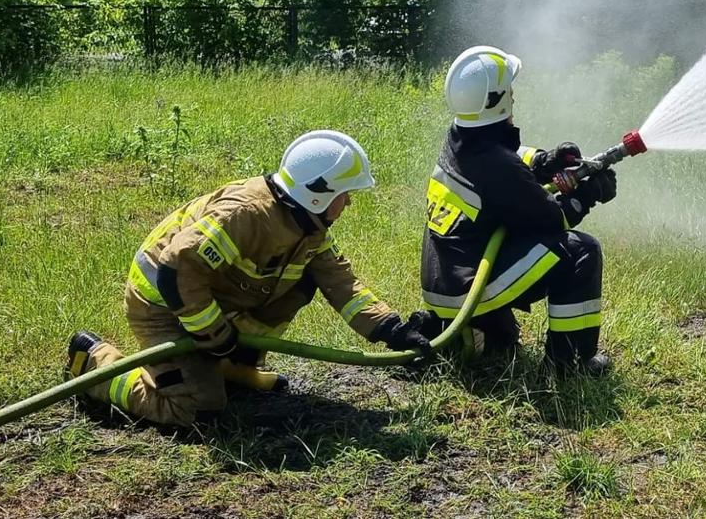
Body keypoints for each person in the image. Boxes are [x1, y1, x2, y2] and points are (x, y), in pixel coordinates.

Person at [67, 130, 433, 427]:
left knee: (302, 281)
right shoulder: (246, 216)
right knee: (198, 408)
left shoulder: (308, 225)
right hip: (164, 306)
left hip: (211, 298)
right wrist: (214, 335)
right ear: (318, 195)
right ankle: (96, 365)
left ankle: (232, 368)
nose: (349, 203)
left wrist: (392, 330)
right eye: (345, 194)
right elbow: (178, 268)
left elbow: (343, 285)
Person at [417, 46, 617, 374]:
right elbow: (552, 220)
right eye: (509, 90)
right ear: (497, 101)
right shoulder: (497, 166)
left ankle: (480, 333)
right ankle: (571, 365)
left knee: (503, 335)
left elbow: (505, 160)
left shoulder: (461, 138)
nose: (514, 95)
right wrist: (587, 195)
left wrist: (543, 161)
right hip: (468, 294)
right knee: (582, 251)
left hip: (445, 286)